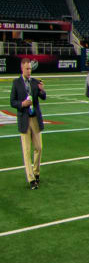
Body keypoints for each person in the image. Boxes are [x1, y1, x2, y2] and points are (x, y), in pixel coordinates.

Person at [11, 57, 46, 189]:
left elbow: (43, 97)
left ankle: (36, 172)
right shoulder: (16, 83)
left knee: (39, 148)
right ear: (22, 68)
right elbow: (12, 101)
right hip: (24, 120)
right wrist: (22, 104)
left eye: (30, 68)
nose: (29, 71)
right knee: (26, 151)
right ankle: (31, 179)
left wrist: (42, 90)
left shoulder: (35, 82)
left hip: (35, 119)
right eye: (27, 68)